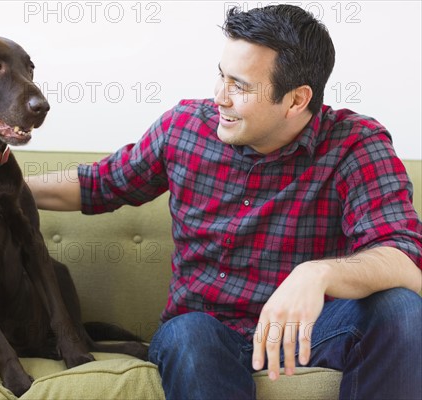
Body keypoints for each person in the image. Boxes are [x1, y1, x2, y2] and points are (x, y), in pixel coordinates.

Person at [27, 5, 422, 399]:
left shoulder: (355, 144)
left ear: (297, 99)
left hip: (304, 335)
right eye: (221, 75)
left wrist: (316, 274)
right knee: (189, 332)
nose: (220, 96)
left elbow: (405, 258)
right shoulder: (184, 128)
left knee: (401, 308)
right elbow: (99, 184)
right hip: (202, 333)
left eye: (240, 85)